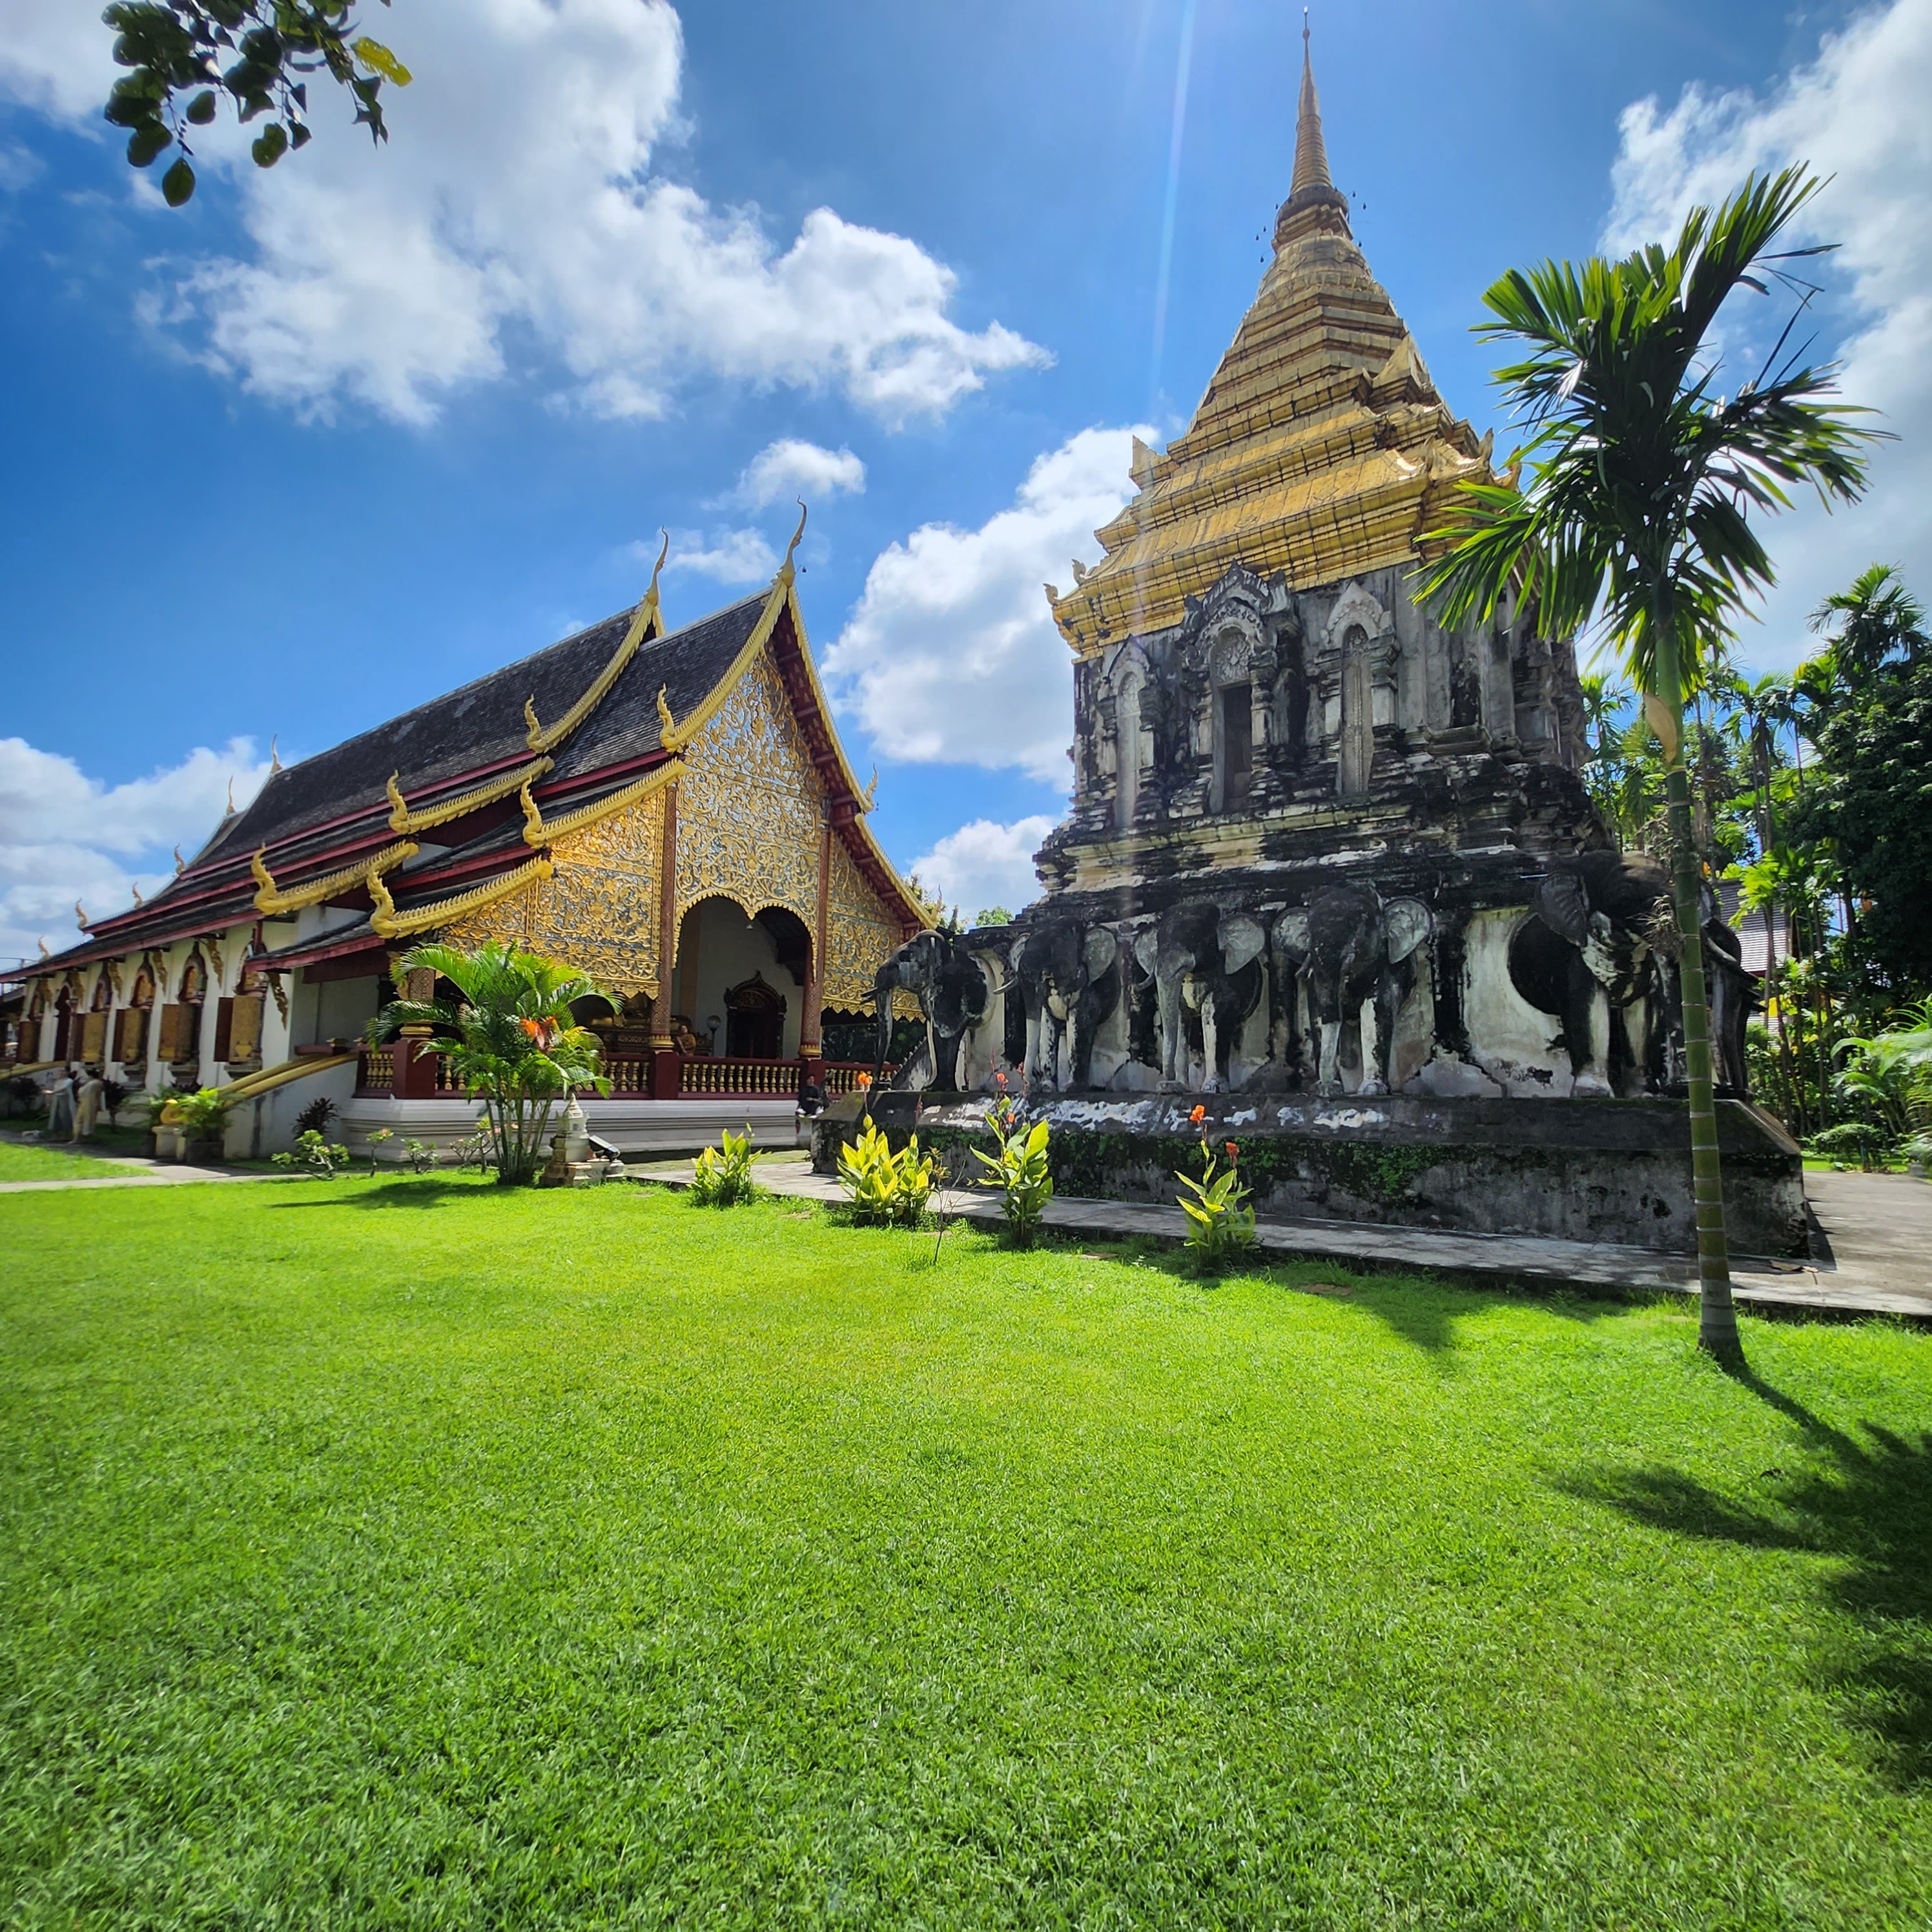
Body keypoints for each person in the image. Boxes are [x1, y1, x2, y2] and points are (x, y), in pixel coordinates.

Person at [72, 1068, 107, 1142]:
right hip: (90, 1104)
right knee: (88, 1121)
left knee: (81, 1121)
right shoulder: (97, 1083)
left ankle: (77, 1138)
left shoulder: (93, 1083)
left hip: (87, 1103)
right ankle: (84, 1138)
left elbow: (81, 1092)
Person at [42, 1065, 76, 1140]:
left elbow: (63, 1088)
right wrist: (49, 1102)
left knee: (65, 1116)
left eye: (63, 1071)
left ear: (67, 1072)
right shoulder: (58, 1081)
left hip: (65, 1099)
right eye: (61, 1071)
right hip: (56, 1098)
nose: (61, 1073)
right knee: (55, 1116)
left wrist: (52, 1092)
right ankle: (55, 1135)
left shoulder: (69, 1081)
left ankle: (65, 1135)